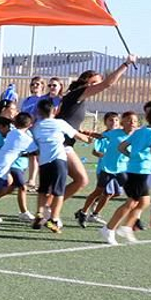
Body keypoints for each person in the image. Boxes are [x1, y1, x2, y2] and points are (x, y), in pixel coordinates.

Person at [102, 102, 151, 244]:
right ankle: (109, 229)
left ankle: (126, 227)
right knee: (130, 203)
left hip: (135, 170)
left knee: (143, 201)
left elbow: (122, 147)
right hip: (139, 172)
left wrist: (131, 156)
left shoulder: (139, 131)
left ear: (147, 118)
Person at [28, 99, 94, 232]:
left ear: (39, 112)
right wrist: (89, 139)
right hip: (59, 160)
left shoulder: (36, 127)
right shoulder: (60, 123)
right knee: (59, 192)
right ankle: (54, 218)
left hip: (44, 162)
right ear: (55, 110)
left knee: (43, 190)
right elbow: (78, 136)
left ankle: (40, 214)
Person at [76, 112, 131, 228]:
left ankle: (92, 206)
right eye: (110, 120)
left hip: (121, 169)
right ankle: (89, 213)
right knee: (106, 192)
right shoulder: (105, 136)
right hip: (105, 168)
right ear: (105, 122)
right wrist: (105, 155)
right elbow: (95, 151)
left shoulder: (124, 134)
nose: (114, 122)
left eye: (116, 120)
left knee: (115, 193)